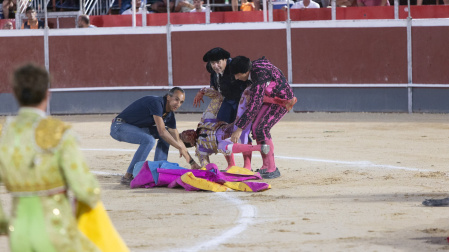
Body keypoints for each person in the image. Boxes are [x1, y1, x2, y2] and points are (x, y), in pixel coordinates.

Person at [0, 64, 102, 251]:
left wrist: (5, 224)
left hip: (19, 230)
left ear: (15, 93)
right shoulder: (58, 132)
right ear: (48, 93)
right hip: (56, 229)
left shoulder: (2, 133)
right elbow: (85, 189)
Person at [110, 87, 195, 185]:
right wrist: (179, 147)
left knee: (167, 135)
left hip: (136, 128)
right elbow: (162, 132)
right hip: (119, 127)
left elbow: (177, 139)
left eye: (181, 102)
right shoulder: (156, 102)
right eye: (176, 99)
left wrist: (192, 162)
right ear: (168, 97)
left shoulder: (170, 115)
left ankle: (159, 171)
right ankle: (129, 176)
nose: (178, 104)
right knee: (149, 140)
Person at [230, 56, 296, 179]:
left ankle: (272, 168)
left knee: (262, 128)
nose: (236, 77)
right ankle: (266, 166)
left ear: (245, 72)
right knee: (256, 128)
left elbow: (254, 106)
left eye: (237, 74)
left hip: (282, 100)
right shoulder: (254, 68)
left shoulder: (259, 77)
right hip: (270, 98)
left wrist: (239, 129)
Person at [193, 48, 248, 168]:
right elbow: (215, 89)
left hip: (242, 102)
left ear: (226, 60)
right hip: (227, 101)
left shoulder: (235, 67)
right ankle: (231, 164)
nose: (216, 66)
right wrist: (203, 92)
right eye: (213, 63)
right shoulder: (213, 71)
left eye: (218, 62)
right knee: (220, 131)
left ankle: (247, 165)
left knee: (243, 131)